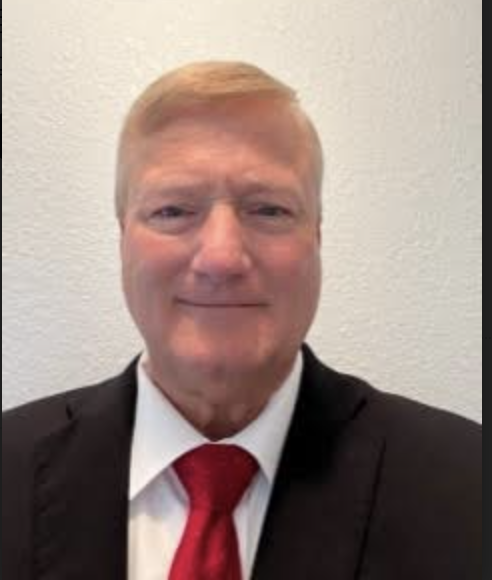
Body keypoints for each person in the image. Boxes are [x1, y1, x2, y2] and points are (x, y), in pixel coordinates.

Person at [2, 61, 481, 580]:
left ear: (317, 237)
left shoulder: (469, 486)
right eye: (173, 211)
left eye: (269, 210)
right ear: (123, 239)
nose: (222, 257)